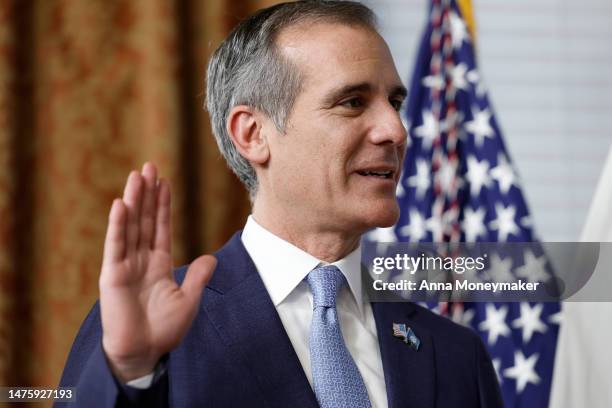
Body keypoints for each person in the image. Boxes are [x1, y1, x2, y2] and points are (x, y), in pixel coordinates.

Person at [57, 1, 503, 407]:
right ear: (253, 134)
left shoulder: (456, 354)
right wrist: (129, 372)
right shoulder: (149, 329)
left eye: (395, 102)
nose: (396, 131)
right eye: (352, 102)